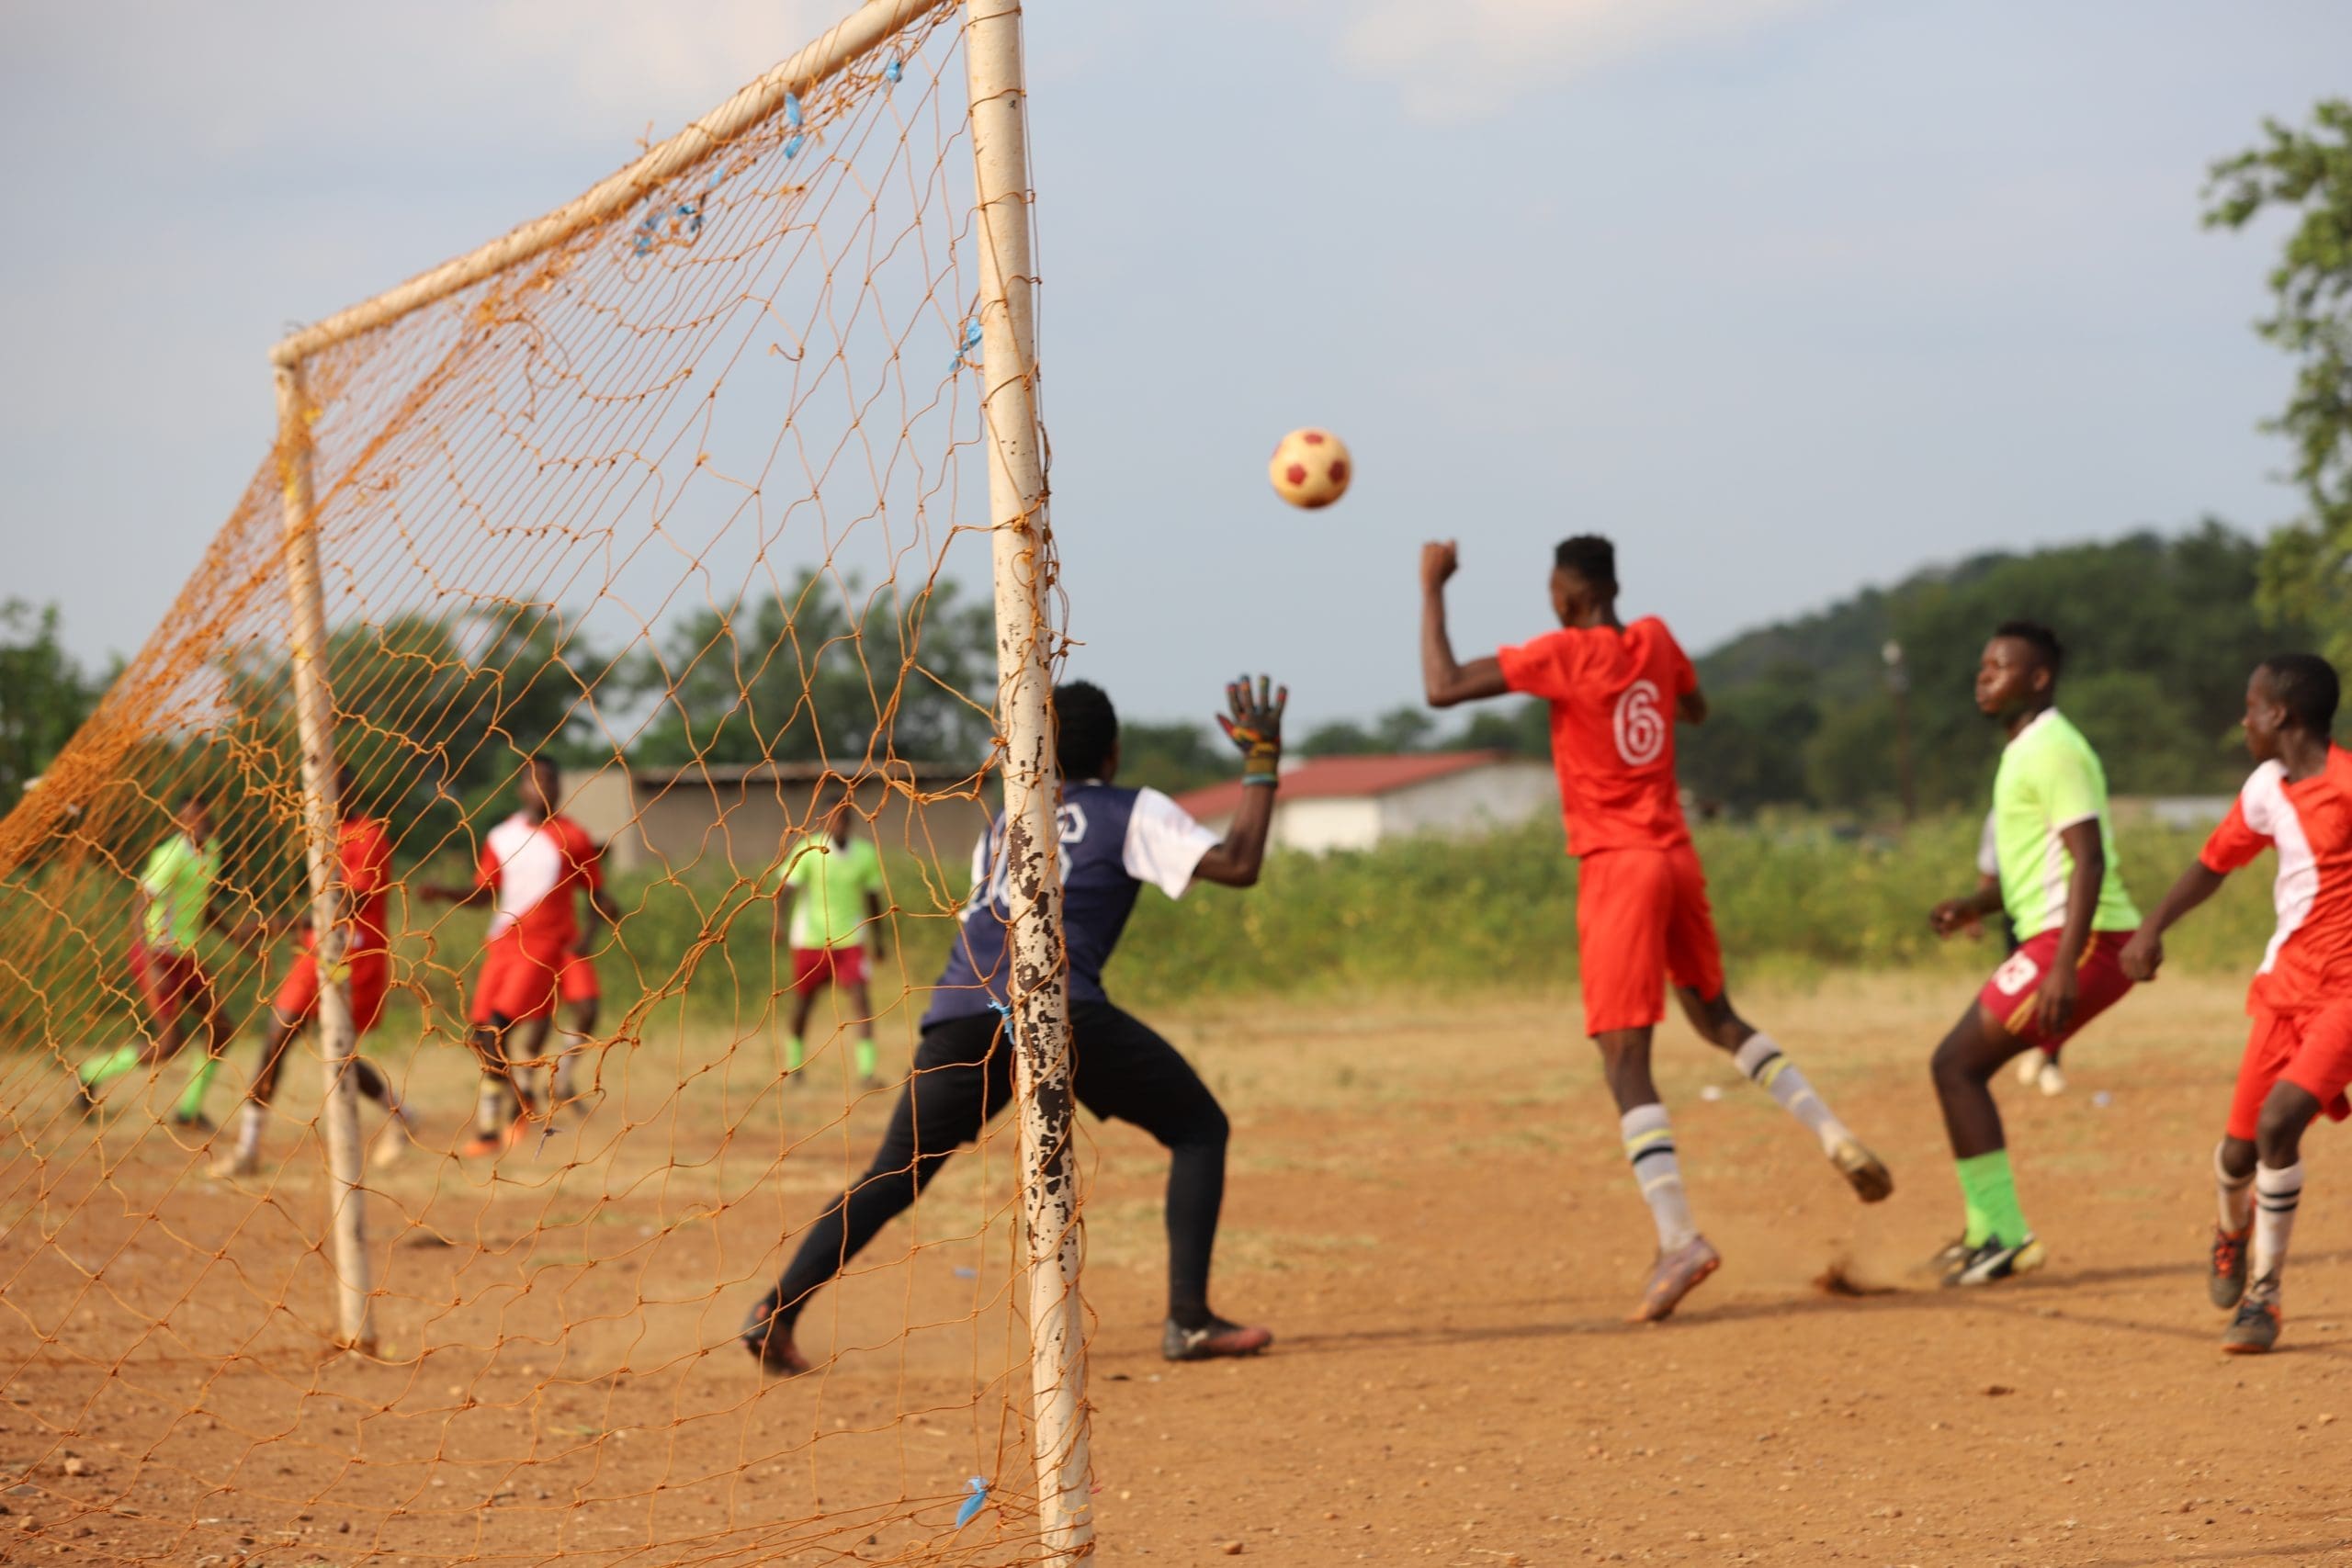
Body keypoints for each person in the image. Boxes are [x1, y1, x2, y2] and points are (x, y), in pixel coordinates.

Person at [743, 676, 1285, 1375]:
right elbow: (1238, 864)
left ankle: (776, 1310)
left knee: (895, 1173)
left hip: (963, 1011)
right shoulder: (1130, 809)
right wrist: (1261, 764)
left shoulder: (1007, 821)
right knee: (1199, 1127)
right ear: (1114, 752)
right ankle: (1189, 1320)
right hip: (1058, 1008)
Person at [1419, 536, 1892, 1324]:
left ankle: (1678, 1238)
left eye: (1553, 590)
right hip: (1675, 855)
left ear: (1570, 595)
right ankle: (1833, 1132)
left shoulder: (1564, 653)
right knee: (1717, 1016)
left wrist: (1434, 587)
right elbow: (1695, 707)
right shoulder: (1658, 640)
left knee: (1624, 1057)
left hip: (1618, 865)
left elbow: (1441, 687)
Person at [2120, 654, 2349, 1353]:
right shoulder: (2264, 789)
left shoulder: (2348, 785)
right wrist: (2152, 927)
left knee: (2281, 1124)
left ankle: (2263, 1299)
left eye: (2250, 708)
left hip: (2346, 994)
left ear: (2280, 714)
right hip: (2284, 990)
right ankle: (2231, 1227)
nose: (2242, 721)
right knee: (2238, 1152)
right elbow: (2214, 862)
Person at [1925, 622, 2140, 1285]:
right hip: (2061, 935)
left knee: (1955, 1066)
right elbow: (2033, 871)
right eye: (1983, 665)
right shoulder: (2024, 748)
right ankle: (1987, 1232)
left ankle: (2003, 1235)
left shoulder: (2053, 748)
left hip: (2082, 939)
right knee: (1957, 1067)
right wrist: (1974, 904)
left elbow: (2089, 860)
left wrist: (2064, 966)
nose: (1984, 676)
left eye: (2000, 667)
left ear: (2039, 678)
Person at [206, 766, 415, 1178]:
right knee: (276, 1037)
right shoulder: (321, 834)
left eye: (333, 788)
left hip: (355, 955)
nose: (323, 796)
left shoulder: (369, 836)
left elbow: (350, 904)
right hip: (315, 950)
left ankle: (402, 1116)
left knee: (340, 1056)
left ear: (349, 790)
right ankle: (248, 1149)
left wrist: (280, 923)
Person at [419, 757, 605, 1156]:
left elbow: (599, 895)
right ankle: (522, 1098)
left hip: (542, 948)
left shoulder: (573, 837)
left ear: (560, 787)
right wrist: (444, 892)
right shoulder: (501, 837)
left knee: (505, 1029)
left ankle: (495, 1126)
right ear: (520, 788)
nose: (543, 788)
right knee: (481, 1037)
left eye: (550, 781)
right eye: (534, 781)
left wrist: (588, 937)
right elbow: (482, 892)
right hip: (502, 944)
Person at [76, 790, 237, 1134]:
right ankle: (89, 1074)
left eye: (202, 815)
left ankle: (189, 1110)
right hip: (156, 953)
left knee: (221, 1028)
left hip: (186, 955)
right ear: (180, 822)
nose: (198, 822)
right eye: (190, 817)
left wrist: (234, 934)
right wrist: (149, 964)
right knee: (168, 1044)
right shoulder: (170, 856)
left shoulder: (212, 851)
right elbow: (139, 906)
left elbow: (202, 902)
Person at [766, 795, 888, 1086]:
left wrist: (878, 939)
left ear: (850, 820)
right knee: (804, 1003)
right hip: (811, 940)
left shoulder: (865, 854)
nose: (837, 823)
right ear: (824, 821)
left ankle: (867, 1073)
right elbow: (786, 890)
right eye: (832, 818)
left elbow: (873, 899)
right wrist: (779, 924)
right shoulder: (808, 850)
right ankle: (794, 1067)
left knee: (861, 1000)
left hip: (850, 940)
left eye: (842, 818)